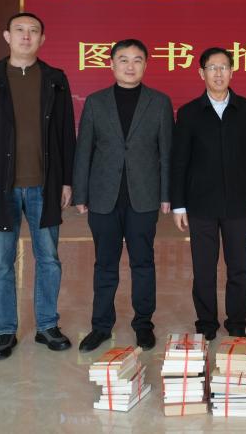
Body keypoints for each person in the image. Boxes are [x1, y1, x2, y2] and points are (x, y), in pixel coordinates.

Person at [0, 12, 75, 360]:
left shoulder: (55, 79)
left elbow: (65, 134)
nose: (27, 36)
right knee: (1, 263)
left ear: (42, 39)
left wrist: (67, 181)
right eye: (20, 30)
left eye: (34, 31)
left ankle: (47, 325)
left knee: (49, 259)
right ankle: (5, 330)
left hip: (45, 185)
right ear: (7, 36)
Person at [72, 39, 173, 353]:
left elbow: (167, 152)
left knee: (143, 262)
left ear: (146, 65)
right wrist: (80, 193)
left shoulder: (159, 102)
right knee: (105, 264)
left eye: (137, 60)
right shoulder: (96, 102)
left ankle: (143, 324)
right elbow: (84, 150)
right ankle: (101, 326)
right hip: (104, 196)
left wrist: (166, 195)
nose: (130, 66)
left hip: (144, 196)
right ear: (112, 64)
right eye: (124, 59)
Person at [170, 47, 246, 340]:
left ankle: (237, 322)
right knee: (203, 269)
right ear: (201, 73)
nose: (218, 73)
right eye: (212, 68)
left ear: (232, 72)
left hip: (238, 203)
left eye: (224, 67)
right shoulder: (189, 113)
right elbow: (179, 161)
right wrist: (178, 205)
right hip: (200, 204)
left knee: (239, 267)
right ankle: (206, 324)